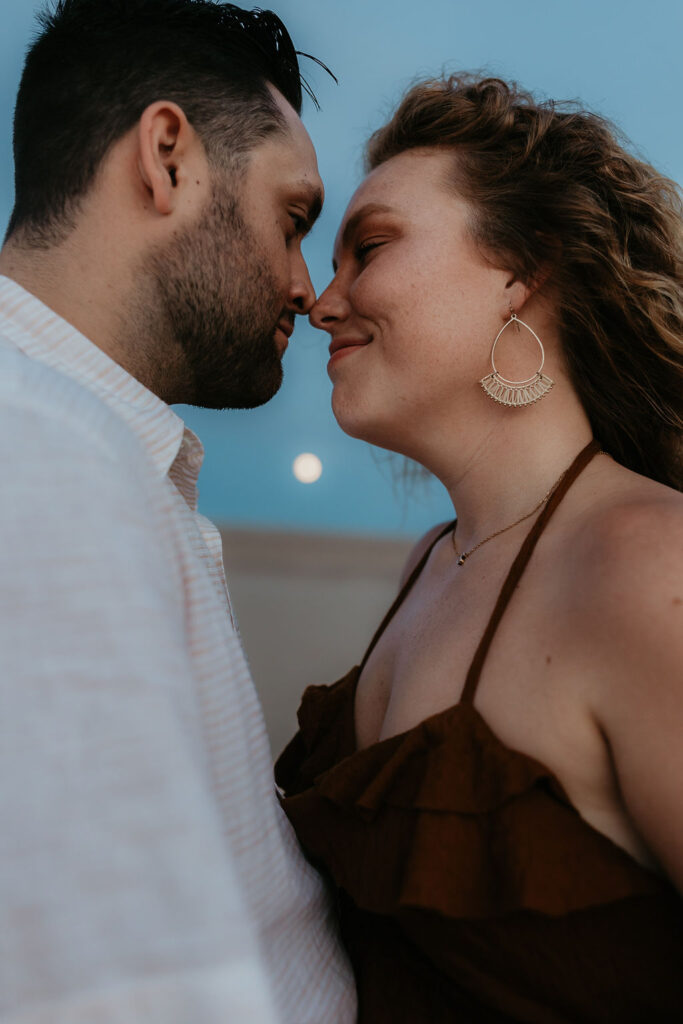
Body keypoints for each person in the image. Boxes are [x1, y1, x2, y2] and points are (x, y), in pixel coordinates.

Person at [276, 73, 683, 1021]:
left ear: (525, 270)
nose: (322, 304)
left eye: (368, 249)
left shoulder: (643, 564)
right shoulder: (429, 560)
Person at [0, 1, 356, 1021]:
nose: (306, 288)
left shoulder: (84, 447)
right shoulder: (40, 455)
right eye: (293, 221)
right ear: (166, 158)